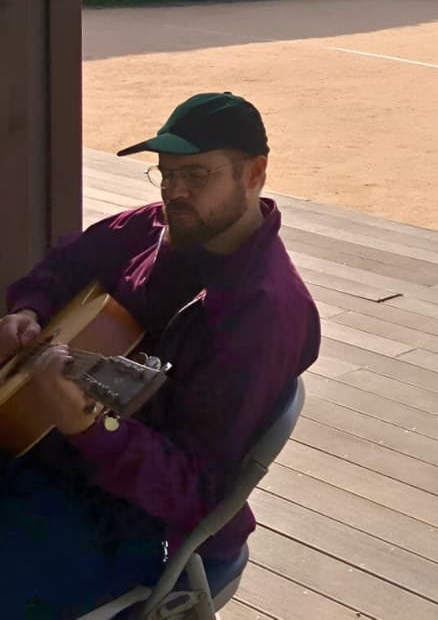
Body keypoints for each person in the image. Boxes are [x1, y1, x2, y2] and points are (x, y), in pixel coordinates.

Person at [0, 92, 320, 617]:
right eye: (166, 174)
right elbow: (64, 265)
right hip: (52, 459)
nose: (175, 192)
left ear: (254, 174)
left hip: (134, 523)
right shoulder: (154, 226)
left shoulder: (263, 314)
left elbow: (200, 493)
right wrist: (30, 311)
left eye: (196, 175)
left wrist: (88, 427)